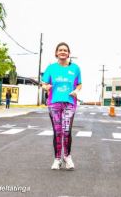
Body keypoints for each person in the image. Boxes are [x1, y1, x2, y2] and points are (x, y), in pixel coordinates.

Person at [41, 42, 82, 170]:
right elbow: (44, 83)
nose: (63, 52)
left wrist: (76, 91)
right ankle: (57, 159)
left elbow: (79, 84)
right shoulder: (51, 68)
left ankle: (67, 157)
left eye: (65, 50)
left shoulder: (75, 68)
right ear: (56, 53)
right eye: (60, 50)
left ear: (69, 53)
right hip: (53, 103)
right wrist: (46, 86)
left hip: (70, 102)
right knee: (57, 131)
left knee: (66, 130)